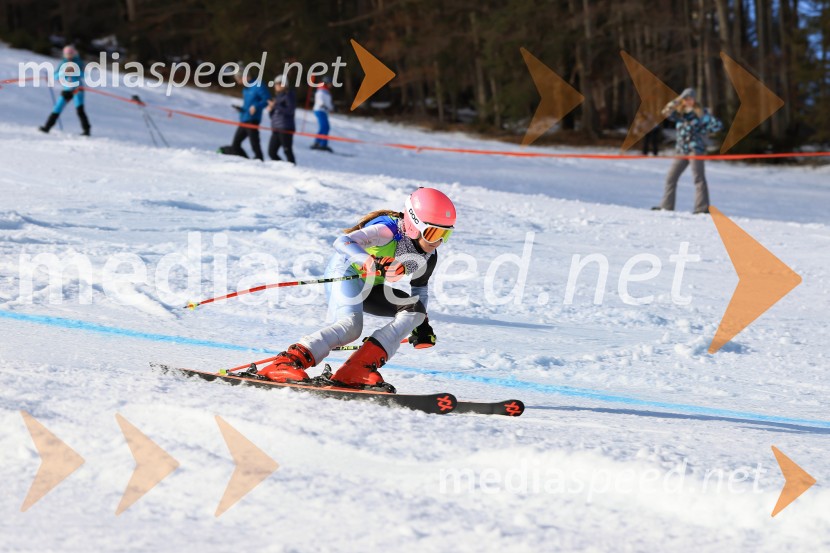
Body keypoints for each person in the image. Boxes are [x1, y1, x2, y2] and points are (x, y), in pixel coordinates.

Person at [254, 187, 457, 391]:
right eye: (433, 233)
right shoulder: (387, 230)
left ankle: (357, 369)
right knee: (351, 327)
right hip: (344, 273)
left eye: (445, 234)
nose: (438, 242)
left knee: (415, 309)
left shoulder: (428, 256)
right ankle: (285, 363)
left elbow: (419, 290)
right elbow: (342, 241)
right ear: (414, 225)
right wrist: (369, 260)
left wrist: (420, 323)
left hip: (371, 286)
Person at [653, 88, 723, 214]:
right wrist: (677, 100)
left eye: (690, 98)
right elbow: (665, 112)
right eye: (685, 98)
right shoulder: (679, 114)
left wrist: (702, 132)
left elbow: (717, 125)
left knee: (698, 179)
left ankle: (702, 208)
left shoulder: (701, 113)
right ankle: (666, 206)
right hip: (681, 151)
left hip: (695, 149)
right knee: (671, 177)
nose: (688, 101)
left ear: (694, 99)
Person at [39, 45, 91, 136]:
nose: (69, 55)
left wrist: (75, 71)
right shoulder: (63, 63)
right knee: (57, 108)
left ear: (74, 53)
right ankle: (47, 127)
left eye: (70, 53)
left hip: (77, 89)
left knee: (79, 110)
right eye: (67, 54)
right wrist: (63, 72)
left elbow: (85, 75)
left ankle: (86, 130)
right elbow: (55, 76)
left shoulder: (79, 62)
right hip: (67, 89)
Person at [228, 66, 270, 160]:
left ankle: (259, 161)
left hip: (253, 120)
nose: (238, 81)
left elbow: (267, 100)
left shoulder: (257, 85)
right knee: (235, 144)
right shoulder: (246, 89)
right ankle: (246, 161)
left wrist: (256, 106)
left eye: (238, 78)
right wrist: (242, 109)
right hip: (244, 119)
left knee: (254, 144)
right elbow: (248, 105)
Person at [266, 74, 296, 164]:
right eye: (275, 84)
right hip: (276, 127)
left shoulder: (289, 95)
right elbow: (273, 116)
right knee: (271, 152)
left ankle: (292, 168)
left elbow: (290, 110)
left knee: (287, 151)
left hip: (285, 128)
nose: (276, 86)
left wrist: (275, 105)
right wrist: (271, 109)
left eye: (278, 84)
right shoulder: (277, 97)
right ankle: (283, 167)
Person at [311, 76, 333, 152]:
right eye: (330, 83)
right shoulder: (321, 91)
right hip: (320, 110)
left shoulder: (326, 91)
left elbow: (328, 102)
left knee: (325, 127)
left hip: (323, 111)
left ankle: (320, 143)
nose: (331, 85)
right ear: (326, 83)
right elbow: (320, 101)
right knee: (325, 127)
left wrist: (331, 108)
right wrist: (326, 106)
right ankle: (320, 144)